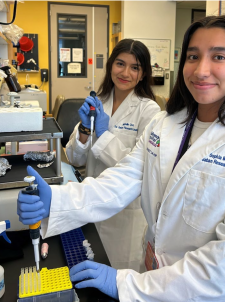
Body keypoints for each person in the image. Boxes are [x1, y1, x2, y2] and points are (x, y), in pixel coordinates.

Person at [17, 15, 225, 301]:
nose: (201, 70)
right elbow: (122, 178)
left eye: (219, 56)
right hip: (152, 268)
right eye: (193, 56)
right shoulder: (166, 125)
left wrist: (129, 285)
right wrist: (56, 201)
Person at [65, 39, 160, 271]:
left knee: (119, 278)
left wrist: (105, 134)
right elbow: (74, 160)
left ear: (143, 73)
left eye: (135, 67)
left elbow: (141, 169)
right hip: (91, 206)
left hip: (125, 214)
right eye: (120, 63)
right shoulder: (99, 103)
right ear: (110, 66)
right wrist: (86, 130)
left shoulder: (150, 110)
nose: (125, 72)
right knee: (90, 271)